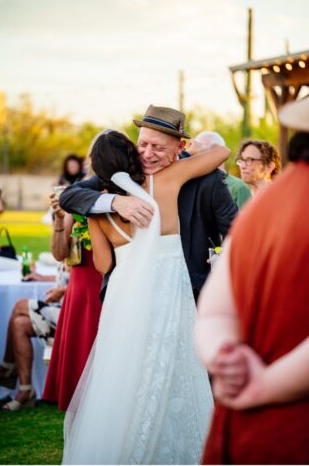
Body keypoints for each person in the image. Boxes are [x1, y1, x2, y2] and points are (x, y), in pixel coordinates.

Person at [62, 128, 228, 464]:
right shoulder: (165, 183)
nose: (149, 153)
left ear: (98, 167)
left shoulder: (98, 210)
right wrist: (191, 149)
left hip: (125, 295)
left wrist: (103, 217)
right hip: (168, 288)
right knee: (172, 361)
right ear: (132, 154)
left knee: (124, 367)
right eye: (142, 146)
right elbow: (220, 154)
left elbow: (103, 263)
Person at [194, 99, 309, 464]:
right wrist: (263, 385)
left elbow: (214, 310)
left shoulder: (264, 203)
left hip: (244, 428)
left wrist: (222, 354)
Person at [59, 105, 237, 300]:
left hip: (192, 294)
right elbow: (70, 195)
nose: (147, 154)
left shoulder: (208, 179)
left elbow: (235, 231)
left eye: (159, 148)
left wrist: (223, 258)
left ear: (180, 147)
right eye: (143, 144)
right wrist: (115, 202)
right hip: (129, 296)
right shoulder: (123, 170)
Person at [0, 202, 71, 411]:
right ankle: (26, 389)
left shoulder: (83, 240)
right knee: (19, 324)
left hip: (72, 314)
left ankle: (6, 367)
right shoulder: (67, 241)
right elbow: (66, 275)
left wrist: (64, 291)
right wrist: (43, 276)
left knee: (20, 304)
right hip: (62, 309)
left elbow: (87, 282)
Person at [42, 163, 105, 412]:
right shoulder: (76, 200)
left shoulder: (123, 197)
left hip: (107, 284)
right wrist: (59, 219)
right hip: (80, 288)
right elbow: (59, 254)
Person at [193, 131, 251, 209]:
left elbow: (245, 220)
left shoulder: (239, 187)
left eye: (203, 151)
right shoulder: (195, 185)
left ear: (218, 151)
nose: (197, 157)